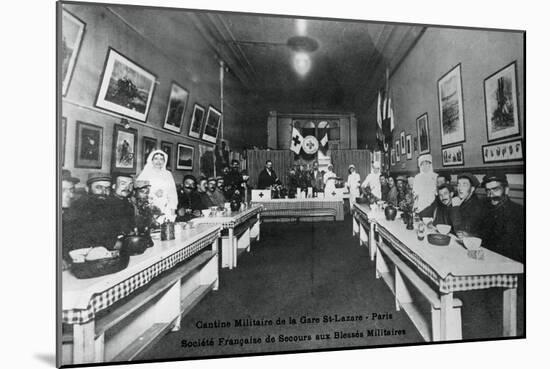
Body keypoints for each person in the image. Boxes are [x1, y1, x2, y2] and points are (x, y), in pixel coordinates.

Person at [63, 172, 133, 262]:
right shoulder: (79, 208)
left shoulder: (109, 206)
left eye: (107, 188)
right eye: (98, 187)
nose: (104, 192)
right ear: (87, 189)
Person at [480, 173, 524, 263]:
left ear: (506, 190)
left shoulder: (519, 213)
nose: (491, 195)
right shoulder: (485, 209)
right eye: (488, 191)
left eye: (495, 189)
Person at [137, 150, 178, 221]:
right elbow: (139, 191)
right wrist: (153, 193)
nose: (158, 161)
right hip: (150, 207)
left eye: (161, 159)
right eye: (156, 158)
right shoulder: (145, 173)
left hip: (166, 207)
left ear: (164, 161)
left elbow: (172, 193)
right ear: (151, 160)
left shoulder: (168, 174)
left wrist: (173, 210)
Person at [449, 173, 486, 237]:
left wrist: (455, 208)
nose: (460, 188)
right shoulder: (462, 200)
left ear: (472, 189)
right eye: (458, 184)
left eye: (464, 185)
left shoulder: (477, 206)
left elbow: (460, 232)